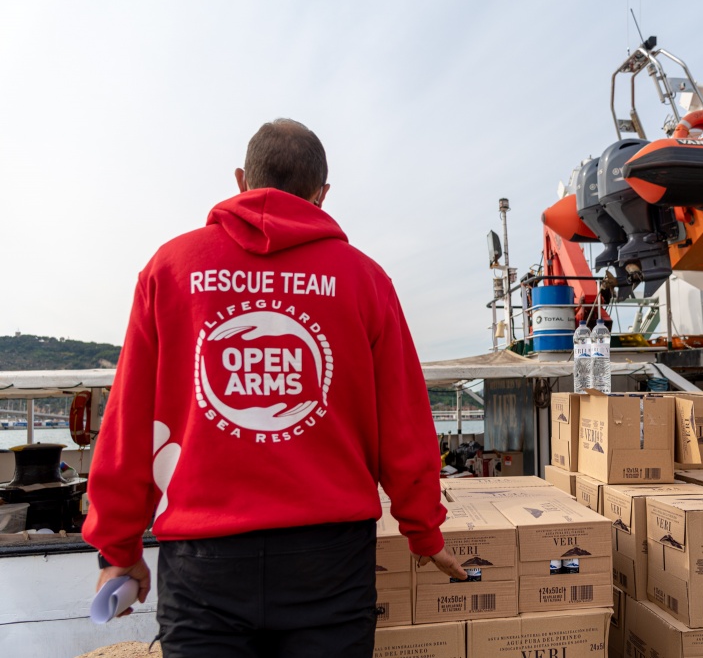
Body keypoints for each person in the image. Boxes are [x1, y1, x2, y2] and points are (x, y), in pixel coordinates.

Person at [83, 119, 465, 657]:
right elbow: (404, 422)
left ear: (243, 181)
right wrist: (423, 530)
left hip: (203, 563)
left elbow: (129, 422)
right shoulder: (364, 279)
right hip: (328, 562)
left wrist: (117, 548)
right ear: (322, 193)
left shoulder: (169, 269)